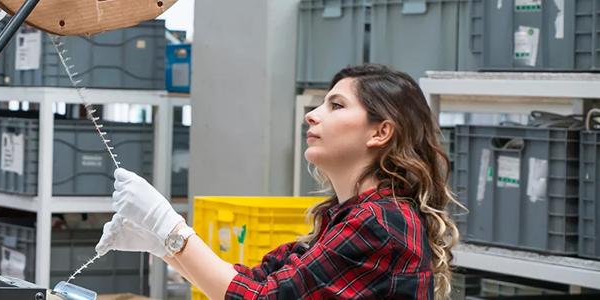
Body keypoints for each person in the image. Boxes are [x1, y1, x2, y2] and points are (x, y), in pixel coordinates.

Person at [97, 64, 461, 299]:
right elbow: (257, 280)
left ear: (381, 131)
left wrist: (167, 225)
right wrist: (162, 246)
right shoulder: (345, 217)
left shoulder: (380, 223)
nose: (312, 116)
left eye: (335, 106)